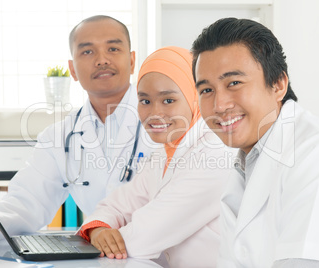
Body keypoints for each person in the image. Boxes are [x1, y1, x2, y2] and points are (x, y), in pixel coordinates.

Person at [0, 15, 155, 249]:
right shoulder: (59, 137)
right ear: (72, 69)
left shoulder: (166, 121)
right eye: (88, 52)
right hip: (104, 258)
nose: (102, 60)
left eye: (113, 48)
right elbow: (27, 201)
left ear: (132, 61)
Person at [191, 17, 319, 267]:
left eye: (234, 83)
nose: (219, 105)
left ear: (279, 84)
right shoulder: (246, 164)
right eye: (206, 90)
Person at [77, 46, 236, 268]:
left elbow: (146, 236)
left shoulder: (217, 153)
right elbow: (116, 205)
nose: (154, 113)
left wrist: (109, 240)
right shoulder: (162, 155)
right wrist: (98, 229)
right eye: (145, 101)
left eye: (168, 100)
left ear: (195, 98)